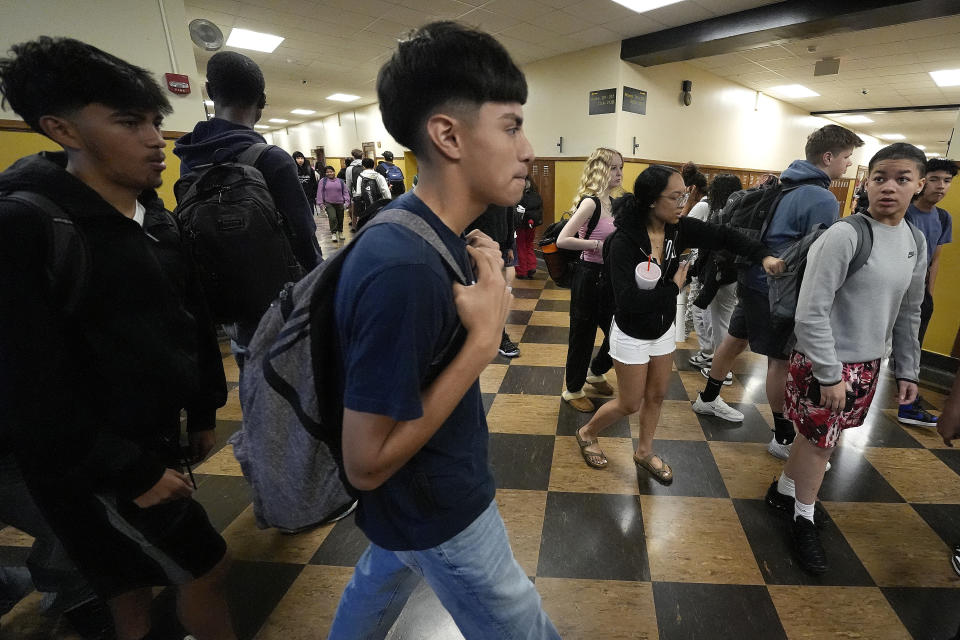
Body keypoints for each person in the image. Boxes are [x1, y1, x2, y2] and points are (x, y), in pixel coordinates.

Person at [327, 21, 558, 639]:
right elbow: (365, 462)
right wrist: (483, 345)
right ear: (448, 135)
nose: (528, 147)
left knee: (374, 589)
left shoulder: (422, 232)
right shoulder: (403, 267)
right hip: (440, 510)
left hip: (414, 503)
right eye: (511, 125)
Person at [0, 37, 234, 640]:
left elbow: (190, 314)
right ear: (63, 130)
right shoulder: (27, 225)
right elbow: (26, 383)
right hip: (88, 467)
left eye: (156, 120)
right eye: (129, 122)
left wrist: (204, 404)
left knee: (127, 583)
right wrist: (126, 469)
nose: (156, 137)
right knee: (205, 565)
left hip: (153, 440)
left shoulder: (151, 213)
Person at [767, 143, 927, 575]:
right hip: (826, 363)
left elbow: (910, 309)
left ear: (919, 185)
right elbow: (811, 311)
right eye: (879, 178)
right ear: (866, 183)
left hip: (869, 364)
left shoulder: (915, 239)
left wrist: (908, 368)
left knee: (815, 439)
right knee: (822, 445)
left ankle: (783, 490)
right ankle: (803, 518)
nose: (889, 187)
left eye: (902, 178)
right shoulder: (846, 235)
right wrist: (829, 373)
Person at [573, 165, 782, 483]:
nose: (683, 202)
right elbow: (628, 301)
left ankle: (643, 452)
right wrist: (674, 287)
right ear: (651, 201)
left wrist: (763, 255)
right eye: (675, 197)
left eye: (685, 195)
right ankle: (587, 432)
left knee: (656, 395)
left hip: (662, 330)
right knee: (630, 403)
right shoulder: (623, 242)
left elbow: (724, 235)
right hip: (631, 332)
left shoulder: (678, 228)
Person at [692, 125, 864, 465]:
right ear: (827, 157)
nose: (847, 166)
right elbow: (819, 252)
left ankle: (708, 397)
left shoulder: (784, 182)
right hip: (779, 289)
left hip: (753, 278)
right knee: (780, 362)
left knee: (735, 338)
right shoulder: (821, 197)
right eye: (846, 158)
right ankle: (783, 437)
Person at [174, 50, 321, 351]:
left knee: (248, 362)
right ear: (262, 102)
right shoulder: (271, 160)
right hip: (278, 301)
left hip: (223, 297)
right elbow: (304, 237)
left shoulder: (189, 157)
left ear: (210, 92)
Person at [557, 148, 623, 412]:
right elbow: (563, 239)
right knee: (582, 336)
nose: (619, 173)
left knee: (618, 331)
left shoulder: (612, 202)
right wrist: (598, 244)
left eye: (620, 168)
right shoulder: (591, 202)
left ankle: (595, 371)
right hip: (589, 277)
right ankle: (573, 390)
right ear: (599, 169)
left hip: (609, 277)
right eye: (613, 168)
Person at [898, 157, 955, 427]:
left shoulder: (943, 217)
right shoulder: (904, 212)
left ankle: (907, 406)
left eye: (947, 181)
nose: (941, 186)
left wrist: (927, 296)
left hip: (918, 297)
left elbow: (934, 259)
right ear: (922, 182)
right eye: (934, 179)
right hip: (893, 292)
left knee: (912, 349)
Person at [690, 174, 744, 377]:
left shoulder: (721, 214)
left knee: (720, 322)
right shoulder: (737, 211)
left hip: (722, 275)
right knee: (718, 319)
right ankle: (716, 360)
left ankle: (723, 371)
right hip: (729, 274)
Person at [466, 203, 521, 357]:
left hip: (499, 244)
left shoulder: (503, 186)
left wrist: (509, 245)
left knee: (496, 291)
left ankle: (500, 337)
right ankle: (475, 335)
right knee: (475, 291)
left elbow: (509, 214)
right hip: (474, 244)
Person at [514, 176, 542, 279]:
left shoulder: (519, 193)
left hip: (521, 224)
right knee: (529, 244)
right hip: (532, 224)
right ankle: (531, 267)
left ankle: (522, 271)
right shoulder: (535, 192)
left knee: (520, 246)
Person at [317, 164, 350, 243]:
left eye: (331, 171)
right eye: (327, 172)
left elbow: (345, 192)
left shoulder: (340, 181)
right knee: (332, 218)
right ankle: (334, 233)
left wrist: (346, 202)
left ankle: (340, 232)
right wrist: (321, 203)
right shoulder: (323, 181)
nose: (329, 173)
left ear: (334, 172)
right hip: (329, 203)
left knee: (340, 218)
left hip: (340, 203)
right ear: (325, 173)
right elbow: (319, 192)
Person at [344, 148, 364, 227]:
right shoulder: (366, 165)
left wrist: (349, 194)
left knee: (355, 210)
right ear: (362, 156)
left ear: (353, 156)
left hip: (355, 192)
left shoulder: (349, 168)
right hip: (368, 191)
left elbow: (348, 183)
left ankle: (354, 226)